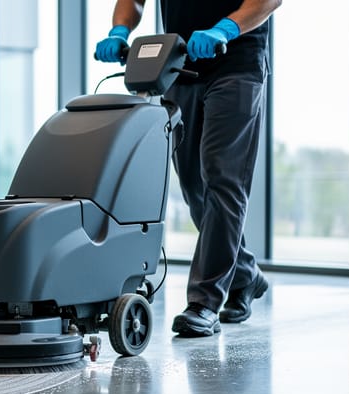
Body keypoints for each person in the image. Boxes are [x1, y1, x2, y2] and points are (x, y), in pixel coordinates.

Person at [96, 0, 282, 337]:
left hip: (237, 65)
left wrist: (226, 28)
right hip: (180, 66)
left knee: (223, 179)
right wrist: (120, 29)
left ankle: (204, 302)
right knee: (194, 188)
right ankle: (244, 274)